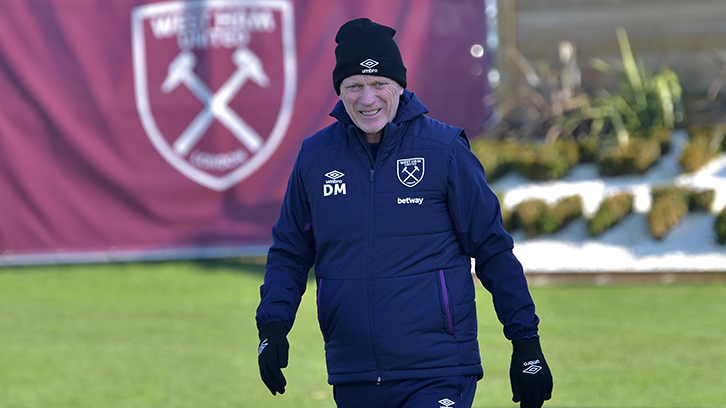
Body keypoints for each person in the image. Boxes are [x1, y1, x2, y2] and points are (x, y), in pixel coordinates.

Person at [256, 17, 553, 408]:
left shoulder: (444, 150)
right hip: (354, 372)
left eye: (379, 84)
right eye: (354, 86)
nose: (367, 99)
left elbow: (492, 249)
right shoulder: (316, 156)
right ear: (339, 91)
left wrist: (525, 342)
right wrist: (273, 326)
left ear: (399, 85)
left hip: (438, 372)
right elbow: (291, 252)